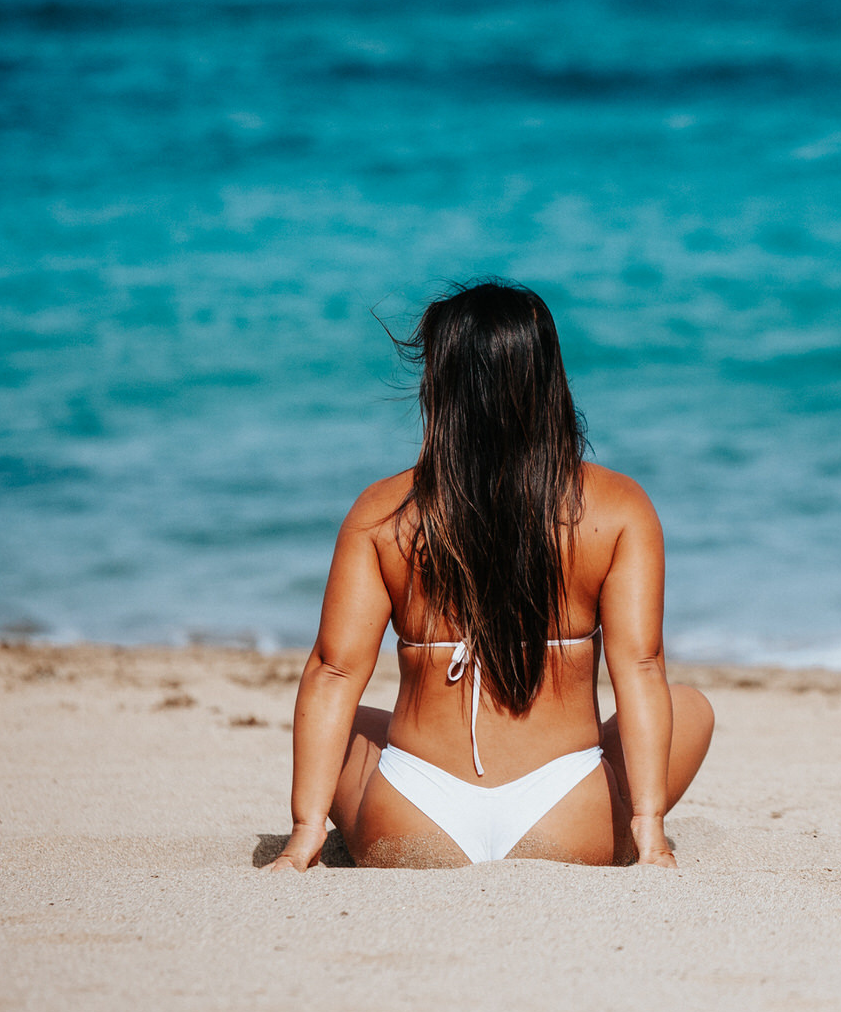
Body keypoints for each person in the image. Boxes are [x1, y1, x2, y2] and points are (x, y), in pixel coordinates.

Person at [268, 281, 712, 870]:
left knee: (352, 721)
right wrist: (649, 831)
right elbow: (641, 666)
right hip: (565, 815)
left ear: (440, 385)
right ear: (547, 379)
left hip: (413, 818)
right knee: (691, 706)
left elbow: (334, 670)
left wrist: (303, 836)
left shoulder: (383, 511)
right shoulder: (616, 508)